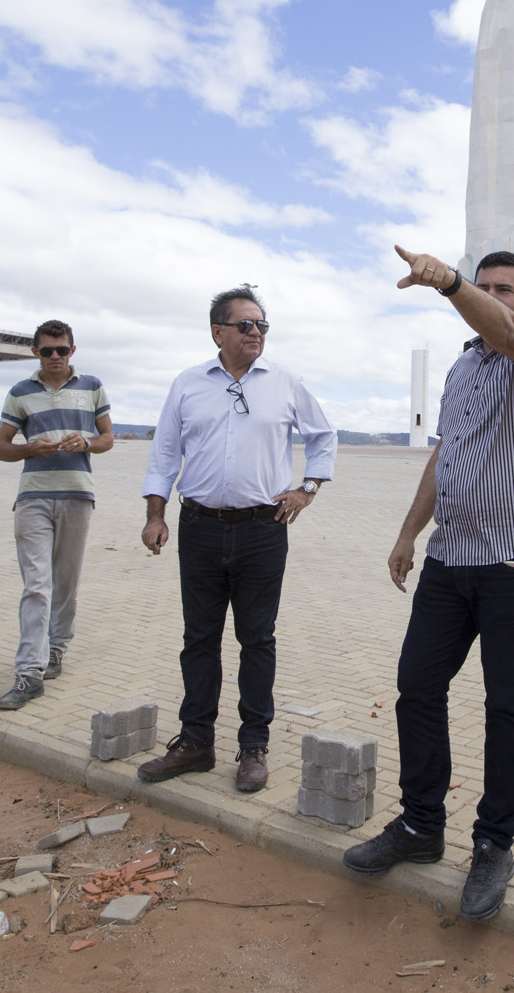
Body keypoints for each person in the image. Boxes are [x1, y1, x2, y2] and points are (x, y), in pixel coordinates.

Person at [342, 246, 514, 924]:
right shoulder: (462, 366)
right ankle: (420, 825)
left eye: (508, 289)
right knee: (417, 684)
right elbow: (448, 452)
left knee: (507, 706)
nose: (497, 297)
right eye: (486, 285)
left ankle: (495, 841)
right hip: (451, 556)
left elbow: (505, 334)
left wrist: (447, 280)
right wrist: (409, 532)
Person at [137, 286, 336, 793]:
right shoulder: (187, 384)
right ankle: (196, 741)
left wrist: (307, 488)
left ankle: (253, 748)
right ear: (217, 332)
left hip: (263, 531)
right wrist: (154, 515)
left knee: (257, 640)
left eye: (262, 326)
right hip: (198, 528)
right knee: (198, 639)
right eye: (245, 325)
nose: (256, 333)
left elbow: (323, 436)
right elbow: (164, 455)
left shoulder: (286, 382)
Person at [0, 319, 116, 712]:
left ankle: (56, 650)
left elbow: (108, 439)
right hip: (33, 499)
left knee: (66, 581)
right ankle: (29, 673)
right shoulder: (20, 393)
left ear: (72, 351)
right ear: (36, 353)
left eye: (62, 350)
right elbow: (1, 448)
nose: (55, 357)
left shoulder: (92, 387)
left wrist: (88, 443)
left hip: (78, 497)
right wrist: (31, 449)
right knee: (36, 585)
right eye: (47, 351)